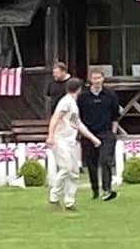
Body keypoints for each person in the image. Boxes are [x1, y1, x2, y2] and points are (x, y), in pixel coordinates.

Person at [46, 78, 101, 211]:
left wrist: (93, 138)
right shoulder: (65, 102)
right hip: (60, 140)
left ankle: (69, 201)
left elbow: (78, 124)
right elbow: (55, 118)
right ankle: (54, 197)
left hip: (70, 141)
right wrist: (51, 136)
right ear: (80, 89)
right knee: (66, 168)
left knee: (74, 172)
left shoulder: (73, 104)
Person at [77, 69, 120, 201]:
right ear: (90, 80)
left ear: (103, 79)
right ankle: (95, 189)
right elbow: (78, 115)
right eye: (94, 78)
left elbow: (115, 115)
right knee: (91, 163)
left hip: (106, 132)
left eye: (99, 78)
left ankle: (107, 189)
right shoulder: (83, 96)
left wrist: (113, 132)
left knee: (106, 160)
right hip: (89, 133)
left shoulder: (110, 95)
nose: (96, 81)